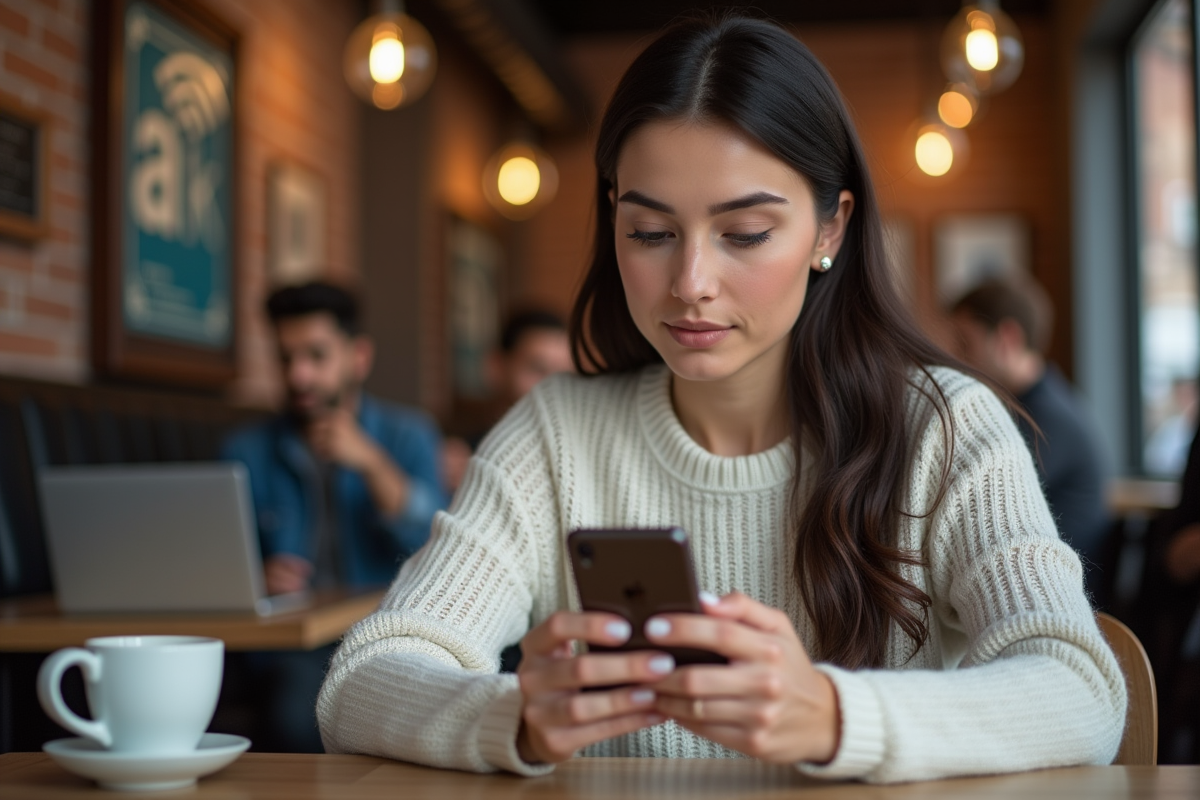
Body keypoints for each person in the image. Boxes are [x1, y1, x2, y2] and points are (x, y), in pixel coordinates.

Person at [318, 16, 1124, 783]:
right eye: (650, 233)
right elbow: (363, 679)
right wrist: (515, 718)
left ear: (830, 230)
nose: (691, 283)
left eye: (744, 234)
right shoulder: (555, 433)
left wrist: (834, 716)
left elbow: (1082, 691)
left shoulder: (943, 427)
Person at [222, 281, 446, 751]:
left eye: (316, 356)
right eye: (286, 358)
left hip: (386, 637)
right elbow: (216, 562)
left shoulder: (409, 436)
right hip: (291, 645)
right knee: (290, 706)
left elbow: (437, 544)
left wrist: (371, 463)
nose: (299, 375)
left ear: (358, 357)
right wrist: (254, 577)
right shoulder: (245, 450)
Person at [949, 277, 1111, 568]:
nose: (957, 358)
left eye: (965, 343)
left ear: (1008, 339)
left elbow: (982, 503)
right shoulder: (1036, 406)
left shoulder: (1045, 418)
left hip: (1058, 585)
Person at [442, 309, 574, 494]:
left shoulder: (576, 458)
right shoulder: (455, 454)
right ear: (496, 366)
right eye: (538, 369)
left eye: (563, 375)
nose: (552, 388)